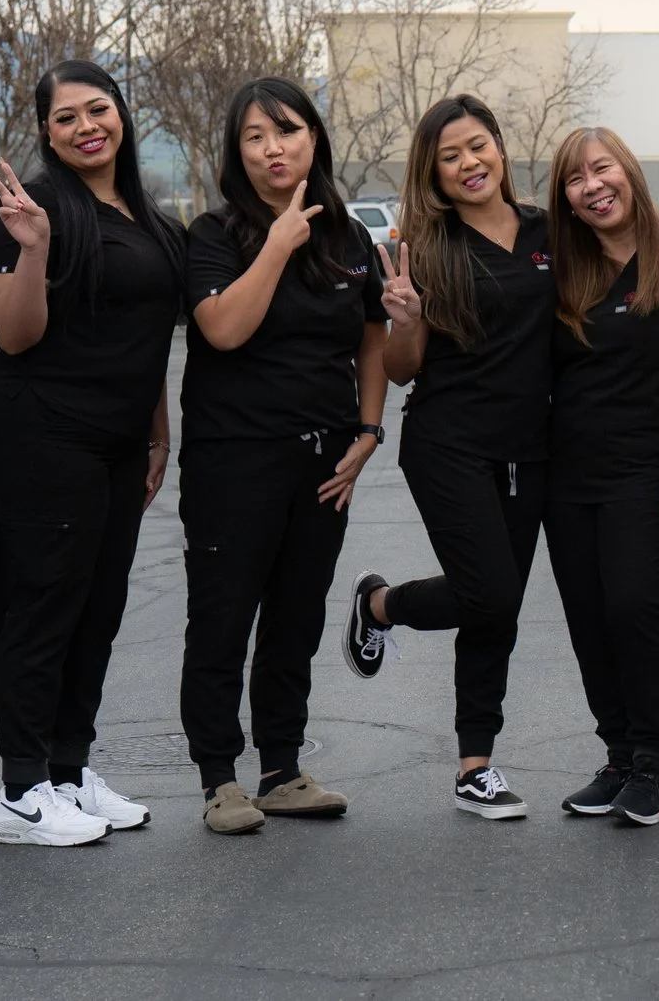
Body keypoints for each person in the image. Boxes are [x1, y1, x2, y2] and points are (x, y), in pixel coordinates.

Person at [0, 60, 186, 846]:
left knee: (98, 609)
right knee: (48, 606)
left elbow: (146, 338)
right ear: (46, 133)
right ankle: (22, 791)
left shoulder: (148, 214)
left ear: (122, 115)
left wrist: (158, 431)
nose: (85, 126)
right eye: (65, 118)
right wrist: (32, 249)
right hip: (43, 434)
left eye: (97, 109)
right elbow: (15, 334)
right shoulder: (31, 211)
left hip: (120, 440)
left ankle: (68, 770)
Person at [179, 79, 386, 836]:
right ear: (237, 153)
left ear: (314, 139)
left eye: (288, 131)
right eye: (255, 137)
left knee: (296, 620)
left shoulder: (348, 236)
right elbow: (223, 329)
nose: (274, 148)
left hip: (325, 462)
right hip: (234, 461)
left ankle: (281, 769)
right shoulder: (213, 233)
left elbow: (371, 337)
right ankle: (218, 780)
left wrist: (368, 432)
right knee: (223, 620)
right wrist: (274, 245)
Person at [340, 95, 553, 820]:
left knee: (499, 609)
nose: (469, 163)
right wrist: (405, 318)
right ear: (432, 172)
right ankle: (378, 604)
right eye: (450, 155)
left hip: (533, 449)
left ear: (500, 145)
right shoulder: (426, 250)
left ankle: (475, 768)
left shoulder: (550, 231)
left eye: (477, 146)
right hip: (450, 444)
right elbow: (402, 369)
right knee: (489, 593)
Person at [544, 127, 659, 827]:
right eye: (575, 178)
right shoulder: (565, 266)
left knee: (634, 607)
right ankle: (618, 755)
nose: (593, 186)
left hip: (649, 471)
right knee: (589, 618)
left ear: (629, 171)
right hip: (569, 476)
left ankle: (653, 760)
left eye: (603, 169)